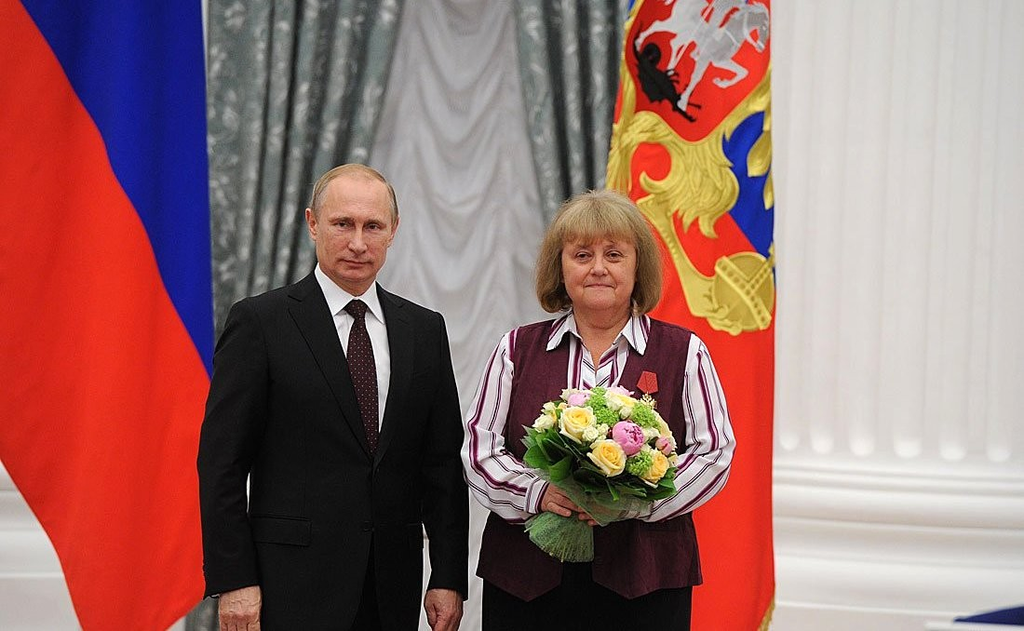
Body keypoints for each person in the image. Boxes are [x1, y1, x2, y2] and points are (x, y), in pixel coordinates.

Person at [198, 164, 468, 630]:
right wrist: (234, 578)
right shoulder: (260, 324)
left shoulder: (424, 331)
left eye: (373, 226)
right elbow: (222, 464)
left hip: (391, 588)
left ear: (393, 231)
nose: (358, 243)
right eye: (343, 224)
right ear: (312, 224)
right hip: (287, 587)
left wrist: (448, 575)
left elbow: (441, 465)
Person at [462, 189, 735, 630]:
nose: (598, 268)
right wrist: (539, 492)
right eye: (582, 254)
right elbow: (479, 450)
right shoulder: (516, 349)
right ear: (561, 267)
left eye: (614, 254)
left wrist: (634, 500)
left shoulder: (686, 352)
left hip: (647, 584)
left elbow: (714, 452)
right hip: (526, 583)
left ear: (637, 266)